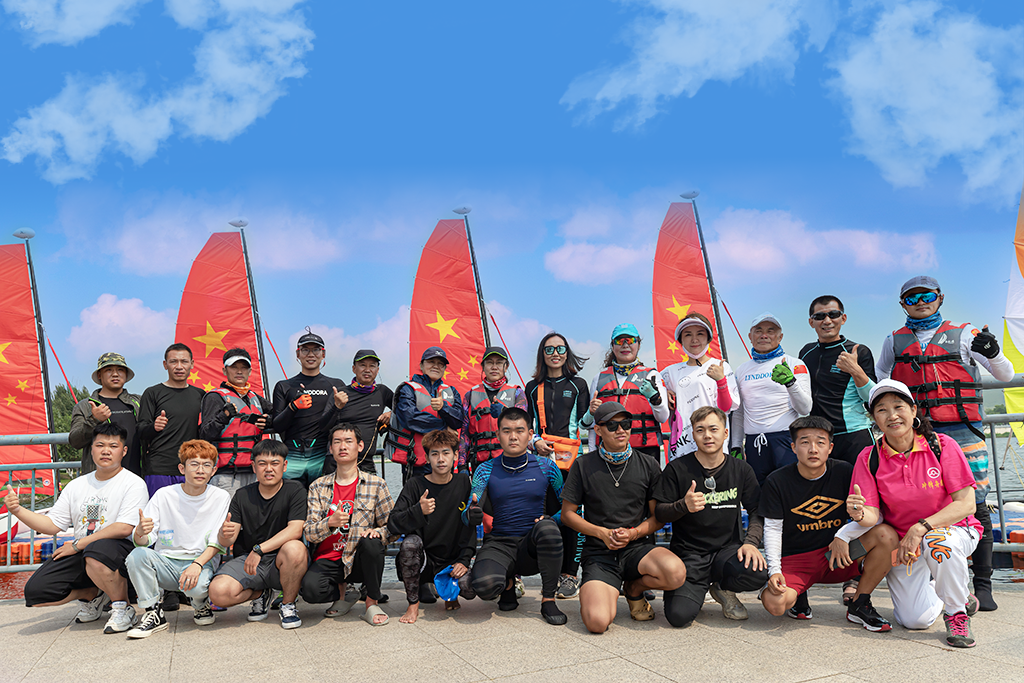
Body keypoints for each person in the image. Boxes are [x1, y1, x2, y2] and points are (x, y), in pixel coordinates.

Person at [876, 276, 1013, 612]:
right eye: (911, 298)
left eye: (926, 296)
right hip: (915, 432)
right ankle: (935, 580)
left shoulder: (966, 334)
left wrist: (994, 354)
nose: (920, 302)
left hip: (963, 430)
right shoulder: (893, 341)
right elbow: (882, 380)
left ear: (939, 298)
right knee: (924, 498)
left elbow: (1006, 375)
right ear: (902, 304)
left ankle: (982, 584)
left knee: (976, 501)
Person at [848, 379, 983, 648]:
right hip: (904, 544)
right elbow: (872, 515)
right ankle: (955, 590)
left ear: (913, 410)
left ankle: (956, 612)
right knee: (914, 620)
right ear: (873, 418)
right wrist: (858, 513)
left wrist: (920, 528)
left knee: (938, 541)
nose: (892, 416)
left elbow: (967, 505)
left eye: (898, 406)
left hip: (954, 530)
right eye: (882, 410)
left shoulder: (942, 445)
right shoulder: (869, 457)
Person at [759, 416, 897, 631]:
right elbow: (773, 529)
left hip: (837, 554)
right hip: (797, 559)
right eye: (805, 442)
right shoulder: (777, 481)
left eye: (820, 442)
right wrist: (774, 571)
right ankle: (798, 594)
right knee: (776, 604)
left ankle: (860, 604)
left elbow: (875, 516)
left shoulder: (845, 471)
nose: (813, 449)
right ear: (793, 447)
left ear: (830, 448)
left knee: (886, 535)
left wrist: (845, 533)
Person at [8, 422, 148, 634]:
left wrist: (77, 545)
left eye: (113, 446)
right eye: (100, 445)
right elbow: (52, 525)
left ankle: (122, 607)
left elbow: (123, 528)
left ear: (124, 451)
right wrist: (18, 510)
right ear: (91, 449)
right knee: (36, 592)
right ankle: (92, 594)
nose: (106, 451)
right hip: (85, 551)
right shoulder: (77, 485)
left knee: (96, 551)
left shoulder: (133, 483)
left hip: (119, 554)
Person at [561, 402, 687, 633]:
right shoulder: (583, 465)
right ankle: (604, 590)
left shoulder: (648, 464)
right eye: (612, 425)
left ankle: (633, 589)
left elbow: (657, 517)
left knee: (676, 573)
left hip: (637, 549)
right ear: (598, 430)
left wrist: (633, 533)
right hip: (599, 553)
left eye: (626, 424)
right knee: (597, 623)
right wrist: (602, 533)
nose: (621, 430)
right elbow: (567, 515)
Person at [653, 406, 766, 628]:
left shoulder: (741, 469)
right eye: (700, 430)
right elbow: (659, 512)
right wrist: (682, 506)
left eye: (713, 429)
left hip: (727, 552)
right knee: (678, 617)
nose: (707, 435)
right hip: (689, 555)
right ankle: (697, 588)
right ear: (693, 434)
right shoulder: (677, 469)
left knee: (757, 572)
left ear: (725, 433)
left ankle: (723, 588)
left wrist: (751, 543)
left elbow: (756, 511)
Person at [468, 407, 567, 625]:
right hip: (499, 544)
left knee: (548, 529)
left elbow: (569, 511)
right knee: (484, 586)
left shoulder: (548, 467)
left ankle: (548, 599)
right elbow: (469, 511)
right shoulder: (484, 469)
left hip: (532, 547)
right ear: (498, 435)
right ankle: (508, 584)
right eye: (507, 431)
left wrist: (552, 520)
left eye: (519, 430)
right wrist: (472, 514)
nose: (513, 436)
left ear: (530, 434)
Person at [124, 439, 231, 638]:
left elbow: (217, 541)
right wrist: (139, 532)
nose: (200, 470)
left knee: (197, 588)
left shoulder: (220, 496)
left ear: (214, 470)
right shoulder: (163, 495)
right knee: (136, 556)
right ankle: (153, 612)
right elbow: (145, 540)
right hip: (166, 562)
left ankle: (200, 604)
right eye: (194, 464)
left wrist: (197, 564)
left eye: (206, 465)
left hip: (200, 562)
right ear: (182, 468)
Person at [301, 423, 395, 626]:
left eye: (348, 441)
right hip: (329, 558)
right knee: (310, 591)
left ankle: (371, 603)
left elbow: (392, 527)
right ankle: (344, 594)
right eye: (337, 442)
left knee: (372, 543)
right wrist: (329, 523)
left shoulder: (376, 484)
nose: (342, 446)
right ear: (330, 448)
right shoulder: (317, 487)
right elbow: (309, 532)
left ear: (360, 446)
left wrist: (377, 532)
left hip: (359, 557)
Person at [208, 440, 308, 629]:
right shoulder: (242, 495)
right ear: (254, 467)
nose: (268, 469)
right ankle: (260, 594)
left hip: (281, 561)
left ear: (284, 465)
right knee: (218, 593)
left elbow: (295, 529)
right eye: (262, 463)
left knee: (295, 548)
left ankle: (288, 605)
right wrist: (224, 534)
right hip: (250, 563)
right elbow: (228, 539)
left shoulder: (295, 490)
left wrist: (259, 549)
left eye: (275, 463)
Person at [525, 332, 590, 600]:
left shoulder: (578, 384)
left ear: (567, 352)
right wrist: (535, 442)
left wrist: (594, 410)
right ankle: (549, 575)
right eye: (549, 349)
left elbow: (585, 423)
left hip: (573, 462)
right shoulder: (532, 387)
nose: (555, 353)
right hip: (543, 461)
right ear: (542, 353)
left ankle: (570, 575)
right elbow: (527, 426)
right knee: (546, 516)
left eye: (560, 349)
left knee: (572, 516)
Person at [390, 429, 476, 623]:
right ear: (427, 458)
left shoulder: (463, 483)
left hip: (451, 560)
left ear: (455, 455)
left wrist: (464, 560)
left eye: (446, 453)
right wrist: (418, 511)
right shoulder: (415, 485)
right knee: (410, 543)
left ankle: (449, 593)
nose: (441, 459)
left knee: (470, 588)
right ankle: (413, 604)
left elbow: (468, 526)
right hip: (423, 561)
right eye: (435, 454)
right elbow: (393, 522)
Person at [799, 295, 878, 466]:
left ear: (843, 318)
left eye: (833, 315)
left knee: (862, 482)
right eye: (819, 316)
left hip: (854, 435)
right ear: (811, 322)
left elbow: (871, 397)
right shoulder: (806, 352)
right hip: (820, 437)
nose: (827, 321)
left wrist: (855, 370)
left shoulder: (858, 351)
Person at [734, 313, 812, 485]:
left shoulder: (795, 364)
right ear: (750, 336)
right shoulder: (741, 370)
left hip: (786, 440)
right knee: (758, 495)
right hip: (754, 443)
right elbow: (739, 413)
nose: (764, 335)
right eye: (758, 331)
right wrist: (736, 445)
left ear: (780, 337)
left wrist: (791, 383)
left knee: (790, 491)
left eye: (770, 331)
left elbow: (805, 409)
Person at [661, 313, 739, 462]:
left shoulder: (720, 366)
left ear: (708, 337)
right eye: (688, 334)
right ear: (680, 340)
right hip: (681, 448)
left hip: (713, 444)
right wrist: (664, 393)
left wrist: (721, 381)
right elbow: (656, 403)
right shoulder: (669, 372)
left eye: (700, 334)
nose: (694, 339)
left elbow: (726, 408)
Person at [584, 324, 669, 461]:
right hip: (608, 451)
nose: (625, 345)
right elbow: (594, 424)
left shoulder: (652, 376)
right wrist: (592, 454)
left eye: (630, 340)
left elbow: (663, 417)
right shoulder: (599, 379)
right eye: (619, 341)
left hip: (645, 451)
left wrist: (655, 399)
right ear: (612, 346)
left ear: (638, 345)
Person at [271, 328, 341, 487]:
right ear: (298, 354)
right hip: (292, 454)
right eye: (305, 350)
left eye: (316, 350)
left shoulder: (336, 385)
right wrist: (293, 406)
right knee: (293, 500)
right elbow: (277, 425)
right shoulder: (284, 386)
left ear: (323, 354)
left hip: (323, 455)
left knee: (323, 500)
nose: (311, 354)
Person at [199, 348, 271, 495]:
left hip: (254, 472)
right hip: (226, 476)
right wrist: (224, 416)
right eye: (234, 367)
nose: (239, 371)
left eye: (244, 367)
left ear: (250, 371)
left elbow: (280, 417)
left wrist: (269, 421)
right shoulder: (215, 397)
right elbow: (205, 434)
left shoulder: (255, 398)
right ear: (224, 370)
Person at [386, 346, 464, 482]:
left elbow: (458, 420)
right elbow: (410, 418)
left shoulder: (452, 391)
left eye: (440, 364)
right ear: (421, 365)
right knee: (417, 495)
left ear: (445, 369)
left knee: (446, 494)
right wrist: (444, 427)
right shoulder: (407, 389)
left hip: (444, 461)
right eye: (431, 362)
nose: (436, 366)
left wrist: (443, 407)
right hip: (416, 461)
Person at [137, 343, 205, 498]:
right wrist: (154, 427)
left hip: (191, 468)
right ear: (165, 364)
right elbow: (140, 430)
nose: (179, 366)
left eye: (184, 361)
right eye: (173, 361)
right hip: (159, 469)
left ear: (192, 364)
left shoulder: (200, 395)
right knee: (158, 512)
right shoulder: (152, 393)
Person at [319, 349, 394, 475]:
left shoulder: (382, 392)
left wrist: (391, 414)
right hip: (338, 462)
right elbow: (323, 426)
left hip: (366, 462)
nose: (367, 370)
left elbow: (404, 411)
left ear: (377, 370)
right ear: (354, 369)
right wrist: (337, 407)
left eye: (372, 366)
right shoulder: (341, 393)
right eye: (362, 365)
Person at [69, 353, 142, 475]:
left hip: (136, 477)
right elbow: (75, 441)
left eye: (120, 370)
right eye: (109, 370)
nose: (115, 374)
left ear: (126, 374)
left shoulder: (139, 402)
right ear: (99, 375)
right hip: (99, 479)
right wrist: (94, 420)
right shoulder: (85, 406)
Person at [459, 346, 527, 474]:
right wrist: (462, 465)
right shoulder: (470, 395)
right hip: (479, 464)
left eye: (499, 363)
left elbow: (523, 425)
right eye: (489, 363)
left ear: (506, 367)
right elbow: (464, 433)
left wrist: (505, 412)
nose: (494, 367)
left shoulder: (517, 393)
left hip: (510, 462)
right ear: (483, 367)